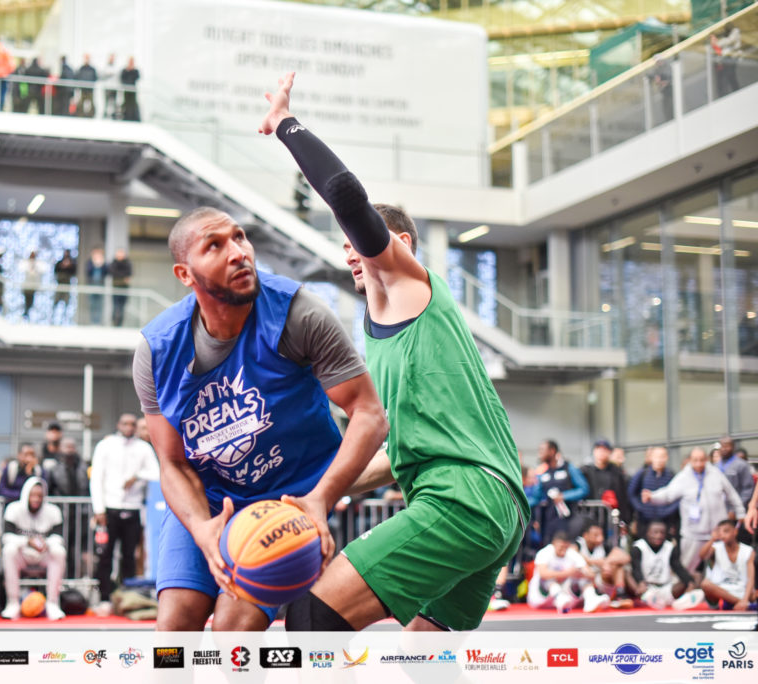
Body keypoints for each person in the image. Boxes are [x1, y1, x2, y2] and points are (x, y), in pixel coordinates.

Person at [261, 72, 528, 632]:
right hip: (496, 506)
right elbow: (397, 458)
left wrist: (285, 123)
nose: (349, 255)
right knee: (422, 656)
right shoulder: (385, 336)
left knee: (311, 615)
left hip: (462, 500)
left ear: (400, 244)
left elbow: (344, 194)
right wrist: (307, 493)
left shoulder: (408, 285)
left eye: (356, 243)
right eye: (345, 248)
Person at [133, 201, 386, 631]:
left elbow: (369, 413)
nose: (238, 252)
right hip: (209, 499)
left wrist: (320, 499)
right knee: (174, 627)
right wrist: (202, 528)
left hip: (287, 501)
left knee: (233, 629)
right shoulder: (156, 350)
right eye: (215, 245)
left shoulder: (298, 313)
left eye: (239, 237)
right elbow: (172, 463)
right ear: (185, 275)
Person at [89, 413, 159, 604]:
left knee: (129, 556)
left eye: (132, 424)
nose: (129, 427)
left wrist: (137, 476)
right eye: (125, 423)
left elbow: (156, 472)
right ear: (118, 425)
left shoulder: (143, 448)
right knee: (105, 555)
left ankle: (127, 598)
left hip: (133, 509)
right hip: (109, 509)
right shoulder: (105, 445)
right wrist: (99, 509)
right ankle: (104, 598)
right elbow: (96, 478)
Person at [642, 446, 745, 574]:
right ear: (690, 460)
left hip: (718, 533)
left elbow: (731, 494)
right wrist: (652, 496)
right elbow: (668, 494)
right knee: (686, 569)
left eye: (702, 460)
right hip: (693, 534)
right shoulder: (683, 477)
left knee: (721, 568)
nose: (699, 463)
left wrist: (740, 512)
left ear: (706, 460)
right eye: (695, 460)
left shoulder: (716, 473)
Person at [0, 477, 66, 620]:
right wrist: (27, 542)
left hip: (44, 554)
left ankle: (53, 603)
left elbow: (59, 538)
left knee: (59, 551)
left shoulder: (53, 511)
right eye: (33, 495)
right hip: (23, 554)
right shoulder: (13, 509)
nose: (36, 499)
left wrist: (46, 543)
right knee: (9, 550)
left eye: (39, 496)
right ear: (26, 494)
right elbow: (7, 537)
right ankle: (12, 603)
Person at [628, 519, 704, 610]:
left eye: (662, 533)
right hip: (646, 588)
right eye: (655, 532)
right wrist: (641, 582)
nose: (658, 536)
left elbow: (678, 567)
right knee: (627, 574)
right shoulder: (638, 547)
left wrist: (689, 582)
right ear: (648, 533)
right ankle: (646, 599)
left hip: (666, 588)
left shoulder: (670, 547)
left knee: (694, 576)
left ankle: (682, 601)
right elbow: (636, 568)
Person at [526, 439, 590, 546]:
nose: (539, 454)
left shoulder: (569, 468)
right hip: (549, 522)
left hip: (568, 519)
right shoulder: (542, 473)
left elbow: (584, 489)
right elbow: (536, 498)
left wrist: (564, 496)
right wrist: (520, 504)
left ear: (552, 451)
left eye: (542, 450)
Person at [526, 531, 596, 613]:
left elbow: (591, 574)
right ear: (554, 544)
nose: (563, 550)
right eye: (561, 547)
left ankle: (591, 599)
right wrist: (567, 573)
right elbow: (543, 573)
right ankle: (559, 597)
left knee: (583, 579)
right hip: (541, 598)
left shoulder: (572, 553)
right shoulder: (544, 552)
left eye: (566, 547)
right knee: (549, 579)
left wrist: (581, 574)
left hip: (567, 597)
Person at [698, 519, 755, 611]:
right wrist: (712, 539)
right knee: (705, 584)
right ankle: (741, 603)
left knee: (755, 593)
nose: (722, 535)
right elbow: (702, 556)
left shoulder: (748, 551)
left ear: (735, 532)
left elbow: (750, 578)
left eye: (726, 531)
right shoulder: (716, 547)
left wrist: (745, 598)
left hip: (742, 588)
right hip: (722, 589)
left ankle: (739, 603)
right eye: (719, 532)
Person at [628, 445, 679, 535]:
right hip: (645, 521)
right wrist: (641, 508)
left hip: (665, 521)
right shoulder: (642, 473)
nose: (659, 460)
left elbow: (677, 496)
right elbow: (631, 493)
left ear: (666, 458)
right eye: (657, 457)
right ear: (651, 457)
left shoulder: (671, 475)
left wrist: (668, 511)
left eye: (662, 457)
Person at [576, 522, 631, 607]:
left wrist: (607, 563)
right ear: (585, 535)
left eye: (601, 535)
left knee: (617, 566)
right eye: (596, 535)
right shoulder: (578, 544)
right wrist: (591, 561)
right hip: (581, 580)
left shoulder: (604, 546)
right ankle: (592, 599)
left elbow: (626, 557)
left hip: (599, 579)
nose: (600, 538)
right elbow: (572, 554)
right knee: (585, 575)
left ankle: (619, 596)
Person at [581, 439, 631, 526]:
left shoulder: (617, 472)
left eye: (605, 450)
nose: (601, 453)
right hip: (591, 515)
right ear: (594, 451)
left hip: (611, 517)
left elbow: (623, 496)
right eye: (599, 449)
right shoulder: (585, 471)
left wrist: (625, 519)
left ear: (610, 453)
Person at [716, 436, 755, 511]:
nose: (724, 449)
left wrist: (737, 509)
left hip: (736, 510)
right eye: (722, 446)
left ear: (733, 447)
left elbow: (748, 489)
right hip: (719, 509)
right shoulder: (715, 466)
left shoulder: (741, 465)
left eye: (727, 446)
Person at [713, 24, 741, 97]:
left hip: (731, 57)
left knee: (730, 75)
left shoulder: (735, 32)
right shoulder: (727, 35)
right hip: (725, 59)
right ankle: (724, 94)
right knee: (724, 77)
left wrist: (718, 43)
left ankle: (735, 91)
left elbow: (729, 41)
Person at [19, 250, 46, 319]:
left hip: (33, 287)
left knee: (31, 301)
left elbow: (42, 270)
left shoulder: (38, 264)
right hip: (26, 286)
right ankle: (25, 313)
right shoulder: (25, 263)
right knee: (26, 301)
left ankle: (28, 314)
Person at [53, 249, 77, 323]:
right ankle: (53, 319)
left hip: (67, 285)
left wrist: (69, 266)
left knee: (66, 302)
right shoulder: (59, 262)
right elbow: (56, 270)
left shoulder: (72, 263)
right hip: (59, 285)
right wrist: (62, 266)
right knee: (56, 301)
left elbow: (74, 272)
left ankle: (65, 320)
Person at [86, 246, 108, 324]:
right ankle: (92, 321)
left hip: (101, 286)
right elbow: (88, 271)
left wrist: (101, 264)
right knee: (92, 304)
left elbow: (107, 272)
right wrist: (95, 264)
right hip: (92, 286)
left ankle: (98, 321)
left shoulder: (104, 263)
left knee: (99, 305)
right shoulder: (89, 262)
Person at [110, 248, 132, 326]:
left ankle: (120, 324)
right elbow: (113, 273)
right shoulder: (113, 263)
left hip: (124, 289)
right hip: (115, 288)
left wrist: (120, 276)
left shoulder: (128, 263)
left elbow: (129, 273)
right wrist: (123, 277)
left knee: (122, 307)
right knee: (115, 306)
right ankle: (114, 323)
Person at [74, 54, 97, 118]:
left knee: (91, 103)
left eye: (87, 58)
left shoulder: (92, 69)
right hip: (83, 89)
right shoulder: (81, 68)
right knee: (80, 103)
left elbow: (95, 78)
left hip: (90, 89)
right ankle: (80, 115)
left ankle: (91, 116)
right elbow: (78, 77)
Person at [120, 57, 141, 121]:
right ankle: (126, 117)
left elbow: (137, 77)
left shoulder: (135, 70)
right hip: (126, 90)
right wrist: (128, 70)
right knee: (126, 103)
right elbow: (122, 78)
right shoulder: (125, 70)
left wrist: (132, 70)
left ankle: (133, 117)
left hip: (133, 90)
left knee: (133, 103)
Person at [101, 54, 119, 119]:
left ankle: (113, 115)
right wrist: (108, 74)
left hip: (114, 88)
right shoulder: (105, 67)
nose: (112, 59)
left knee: (113, 103)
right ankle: (105, 115)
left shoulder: (116, 67)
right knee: (106, 102)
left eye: (113, 58)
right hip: (107, 87)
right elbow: (102, 76)